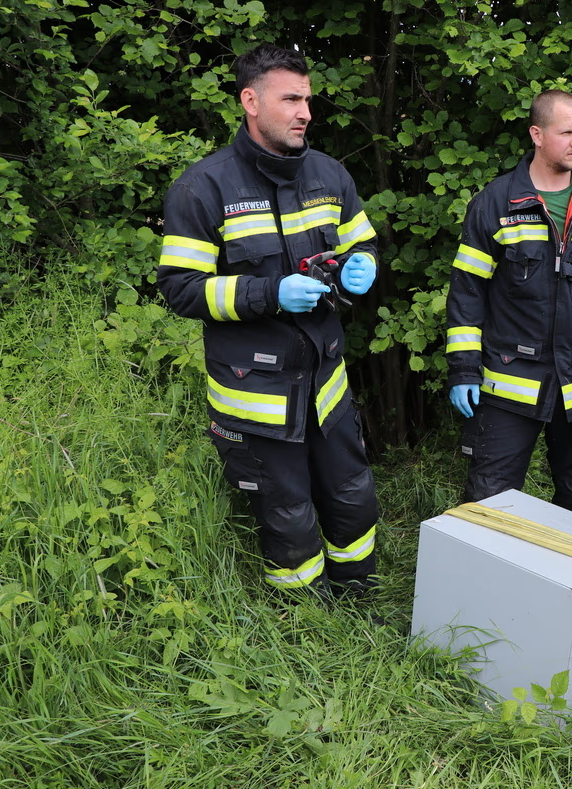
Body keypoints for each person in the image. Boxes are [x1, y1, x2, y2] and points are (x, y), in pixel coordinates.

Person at [156, 44, 381, 604]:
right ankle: (303, 616)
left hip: (327, 384)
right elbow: (180, 289)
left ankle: (359, 594)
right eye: (291, 99)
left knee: (352, 494)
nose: (305, 111)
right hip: (255, 392)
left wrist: (365, 266)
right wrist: (269, 293)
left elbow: (364, 241)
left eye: (307, 99)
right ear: (250, 101)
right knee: (287, 513)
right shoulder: (202, 188)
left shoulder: (330, 174)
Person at [444, 89, 572, 520]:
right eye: (567, 132)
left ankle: (569, 585)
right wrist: (463, 369)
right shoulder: (496, 204)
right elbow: (466, 294)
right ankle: (487, 586)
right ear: (536, 134)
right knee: (488, 502)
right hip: (511, 381)